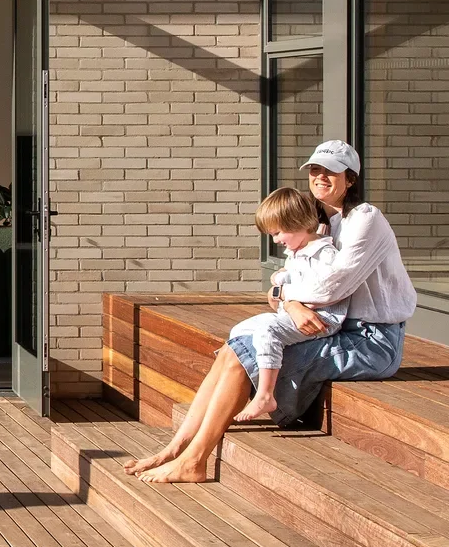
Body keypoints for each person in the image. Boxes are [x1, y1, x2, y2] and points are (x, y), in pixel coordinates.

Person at [128, 139, 417, 483]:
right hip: (334, 327)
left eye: (331, 171)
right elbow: (283, 280)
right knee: (232, 353)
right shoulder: (319, 220)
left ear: (350, 179)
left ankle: (194, 461)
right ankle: (176, 448)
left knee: (241, 356)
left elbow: (334, 286)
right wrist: (287, 298)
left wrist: (287, 298)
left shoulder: (364, 219)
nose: (320, 177)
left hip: (372, 341)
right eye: (315, 170)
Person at [233, 185, 343, 422]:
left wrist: (285, 291)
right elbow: (289, 281)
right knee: (240, 330)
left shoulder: (324, 254)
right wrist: (281, 277)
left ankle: (265, 395)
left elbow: (323, 291)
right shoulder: (297, 252)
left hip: (320, 319)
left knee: (268, 330)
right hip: (291, 315)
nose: (276, 240)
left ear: (299, 222)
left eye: (278, 233)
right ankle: (245, 388)